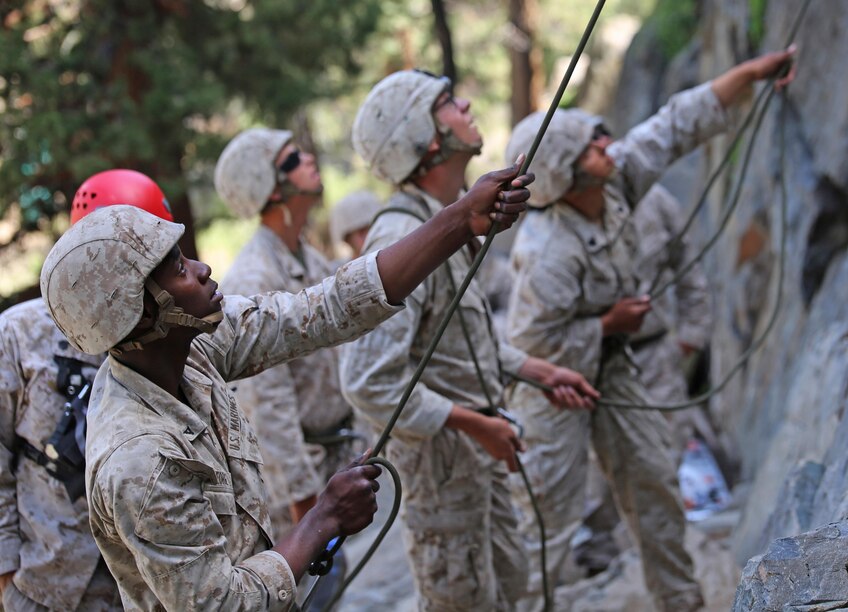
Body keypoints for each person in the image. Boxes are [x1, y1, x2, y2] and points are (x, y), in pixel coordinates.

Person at [37, 158, 533, 610]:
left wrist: (460, 219)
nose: (204, 268)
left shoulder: (187, 349)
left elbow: (325, 311)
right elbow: (221, 605)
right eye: (180, 268)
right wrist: (322, 519)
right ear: (142, 312)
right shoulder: (139, 462)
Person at [503, 47, 797, 611]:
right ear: (564, 173)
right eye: (591, 144)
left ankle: (681, 602)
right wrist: (607, 323)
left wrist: (752, 74)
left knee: (655, 486)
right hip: (552, 390)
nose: (606, 144)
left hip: (613, 369)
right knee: (546, 519)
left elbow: (676, 124)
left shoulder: (614, 184)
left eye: (601, 135)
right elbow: (530, 349)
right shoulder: (549, 255)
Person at [344, 69, 599, 611]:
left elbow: (455, 342)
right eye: (445, 102)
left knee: (506, 588)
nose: (464, 102)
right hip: (444, 470)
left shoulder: (444, 227)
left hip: (475, 453)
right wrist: (476, 424)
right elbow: (368, 382)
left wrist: (536, 370)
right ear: (427, 138)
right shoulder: (403, 241)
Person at [0, 169, 173, 611]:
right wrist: (5, 572)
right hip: (48, 584)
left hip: (148, 584)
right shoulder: (18, 335)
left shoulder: (173, 329)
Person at [215, 129, 365, 540]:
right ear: (271, 186)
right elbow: (267, 406)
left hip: (328, 465)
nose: (309, 159)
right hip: (295, 496)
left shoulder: (304, 255)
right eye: (293, 159)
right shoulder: (254, 277)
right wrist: (305, 501)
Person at [329, 190, 384, 259]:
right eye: (362, 232)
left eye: (375, 228)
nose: (371, 235)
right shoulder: (340, 269)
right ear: (347, 240)